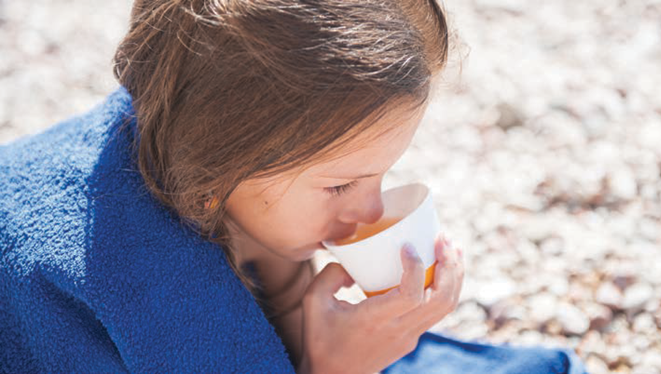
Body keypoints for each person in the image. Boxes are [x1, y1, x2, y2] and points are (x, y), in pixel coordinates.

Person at [0, 0, 587, 372]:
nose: (372, 208)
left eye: (382, 174)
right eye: (340, 187)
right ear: (213, 175)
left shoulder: (188, 139)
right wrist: (338, 367)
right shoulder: (148, 286)